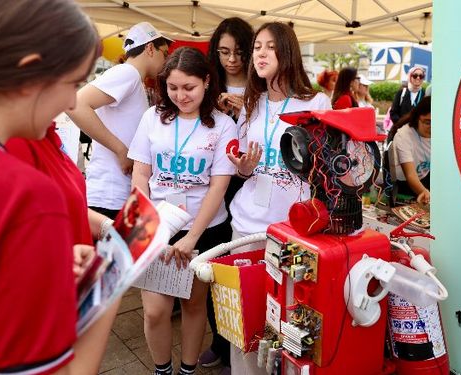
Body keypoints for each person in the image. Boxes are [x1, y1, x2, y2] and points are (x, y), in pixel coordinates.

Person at [0, 0, 116, 373]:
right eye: (74, 84)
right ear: (30, 72)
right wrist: (109, 285)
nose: (70, 102)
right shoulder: (22, 195)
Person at [227, 22, 331, 375]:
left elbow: (329, 170)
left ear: (288, 52)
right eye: (256, 47)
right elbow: (243, 167)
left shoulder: (316, 102)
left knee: (288, 324)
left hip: (292, 234)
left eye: (270, 47)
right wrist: (243, 168)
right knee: (243, 322)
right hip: (245, 228)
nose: (260, 53)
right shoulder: (251, 104)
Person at [128, 47, 237, 375]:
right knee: (155, 311)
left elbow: (218, 188)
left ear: (206, 81)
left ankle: (188, 369)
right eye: (173, 88)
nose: (180, 95)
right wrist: (143, 222)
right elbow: (140, 174)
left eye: (188, 87)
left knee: (193, 305)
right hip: (158, 224)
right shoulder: (152, 117)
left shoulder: (222, 125)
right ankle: (162, 370)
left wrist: (192, 237)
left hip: (204, 229)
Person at [67, 22, 171, 219]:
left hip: (116, 193)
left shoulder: (132, 77)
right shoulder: (128, 73)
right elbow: (75, 104)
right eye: (164, 53)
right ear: (150, 48)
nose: (166, 60)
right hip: (109, 195)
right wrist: (121, 150)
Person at [201, 16, 254, 375]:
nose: (231, 60)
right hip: (216, 182)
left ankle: (246, 339)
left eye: (238, 52)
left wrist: (245, 108)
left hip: (251, 183)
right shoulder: (208, 83)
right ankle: (220, 340)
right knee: (216, 264)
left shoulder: (262, 82)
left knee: (246, 266)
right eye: (223, 52)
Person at [6, 124, 114, 245]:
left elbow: (68, 206)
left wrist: (109, 228)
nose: (74, 106)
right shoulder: (15, 144)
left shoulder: (46, 134)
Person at [387, 96, 431, 205]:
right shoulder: (404, 135)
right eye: (427, 122)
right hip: (405, 184)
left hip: (425, 177)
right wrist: (424, 192)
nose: (432, 127)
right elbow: (410, 175)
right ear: (417, 118)